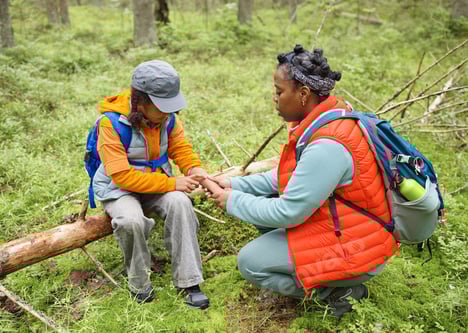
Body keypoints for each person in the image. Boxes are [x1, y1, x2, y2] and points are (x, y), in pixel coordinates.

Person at [207, 45, 399, 318]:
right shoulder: (329, 119)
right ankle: (319, 274)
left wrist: (231, 200)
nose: (274, 98)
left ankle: (339, 293)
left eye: (279, 91)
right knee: (265, 207)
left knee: (250, 263)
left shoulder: (327, 144)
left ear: (304, 94)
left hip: (360, 248)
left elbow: (289, 212)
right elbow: (286, 179)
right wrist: (233, 184)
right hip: (352, 227)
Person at [92, 60, 210, 309]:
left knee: (180, 203)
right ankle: (139, 282)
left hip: (156, 182)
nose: (168, 113)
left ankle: (189, 280)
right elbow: (121, 176)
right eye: (161, 107)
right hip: (119, 188)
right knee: (130, 221)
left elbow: (180, 148)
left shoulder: (167, 119)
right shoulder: (110, 124)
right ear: (140, 102)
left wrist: (194, 168)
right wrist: (173, 182)